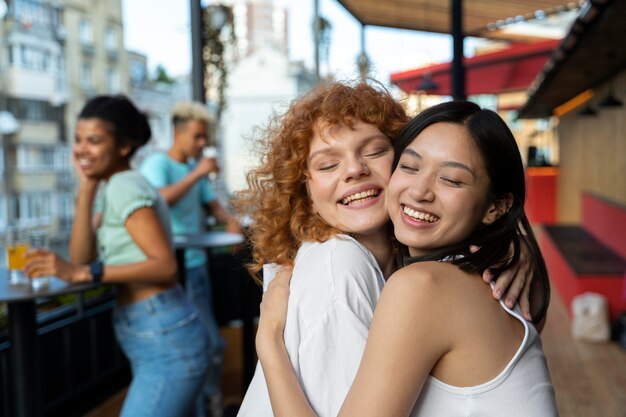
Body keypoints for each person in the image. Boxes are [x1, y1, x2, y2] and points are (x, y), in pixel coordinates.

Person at [235, 81, 540, 416]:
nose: (354, 169)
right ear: (303, 189)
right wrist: (268, 342)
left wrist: (511, 246)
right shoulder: (340, 264)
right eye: (326, 165)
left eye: (375, 151)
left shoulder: (418, 271)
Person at [24, 95, 211, 417]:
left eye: (94, 141)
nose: (82, 149)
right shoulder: (115, 185)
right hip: (161, 332)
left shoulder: (125, 185)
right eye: (79, 140)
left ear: (124, 147)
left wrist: (86, 275)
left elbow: (164, 265)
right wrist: (86, 186)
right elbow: (81, 255)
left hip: (166, 339)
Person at [140, 102, 241, 415]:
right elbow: (157, 201)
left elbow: (213, 206)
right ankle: (203, 406)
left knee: (209, 346)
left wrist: (230, 219)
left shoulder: (193, 170)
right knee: (205, 347)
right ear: (177, 133)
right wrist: (198, 172)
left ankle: (205, 404)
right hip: (170, 272)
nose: (201, 143)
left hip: (196, 268)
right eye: (197, 136)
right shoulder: (158, 164)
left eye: (204, 137)